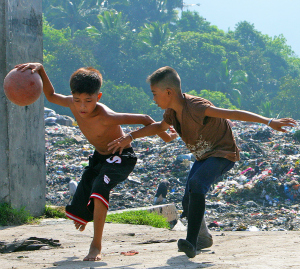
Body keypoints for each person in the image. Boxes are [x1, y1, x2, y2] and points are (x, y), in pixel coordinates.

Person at [108, 66, 297, 258]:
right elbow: (159, 127)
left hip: (223, 154)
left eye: (154, 94)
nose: (153, 99)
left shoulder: (196, 107)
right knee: (188, 199)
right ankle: (204, 237)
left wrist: (269, 121)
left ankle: (191, 243)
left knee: (197, 184)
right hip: (203, 157)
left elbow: (233, 113)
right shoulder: (172, 113)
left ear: (168, 92)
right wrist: (130, 136)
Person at [15, 63, 176, 262]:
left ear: (98, 97)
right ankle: (86, 214)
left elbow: (145, 118)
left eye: (88, 101)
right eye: (77, 100)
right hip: (99, 158)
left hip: (121, 156)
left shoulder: (106, 116)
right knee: (78, 212)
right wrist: (40, 70)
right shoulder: (72, 103)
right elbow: (51, 96)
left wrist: (166, 137)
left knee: (100, 188)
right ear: (73, 96)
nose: (82, 106)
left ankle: (96, 246)